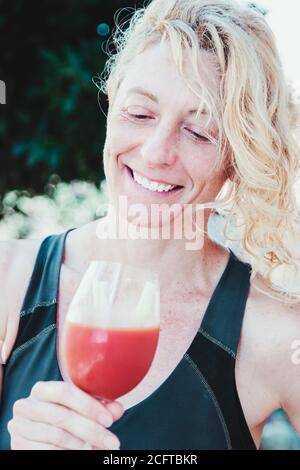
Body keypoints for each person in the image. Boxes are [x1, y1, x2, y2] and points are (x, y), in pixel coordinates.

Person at [1, 0, 300, 450]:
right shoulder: (9, 279)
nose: (157, 152)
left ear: (238, 157)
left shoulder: (275, 331)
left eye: (200, 132)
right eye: (139, 114)